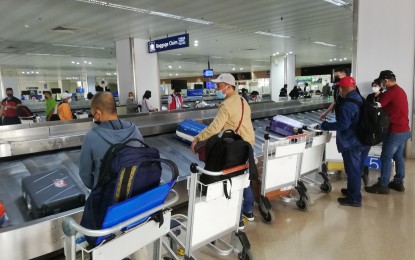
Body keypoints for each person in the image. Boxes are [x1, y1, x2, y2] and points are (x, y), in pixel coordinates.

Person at [190, 73, 255, 229]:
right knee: (244, 178)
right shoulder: (243, 101)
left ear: (228, 86)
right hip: (248, 144)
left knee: (232, 180)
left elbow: (215, 128)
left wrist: (198, 138)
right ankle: (248, 211)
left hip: (235, 148)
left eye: (219, 86)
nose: (217, 89)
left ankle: (237, 219)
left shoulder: (226, 105)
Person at [320, 76, 370, 207]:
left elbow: (342, 125)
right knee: (356, 169)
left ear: (342, 89)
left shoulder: (347, 105)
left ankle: (354, 199)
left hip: (352, 143)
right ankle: (351, 191)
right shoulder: (359, 98)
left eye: (340, 88)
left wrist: (325, 126)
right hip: (364, 140)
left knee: (352, 170)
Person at [79, 92, 144, 190]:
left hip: (106, 196)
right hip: (134, 189)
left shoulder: (91, 137)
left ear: (99, 113)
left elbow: (85, 174)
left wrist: (97, 188)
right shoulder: (134, 129)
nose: (93, 115)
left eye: (93, 113)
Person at [365, 70, 411, 194]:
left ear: (386, 81)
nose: (381, 85)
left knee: (385, 157)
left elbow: (377, 106)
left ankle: (382, 185)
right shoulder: (400, 90)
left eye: (381, 82)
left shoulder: (390, 92)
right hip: (405, 130)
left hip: (395, 131)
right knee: (398, 157)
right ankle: (398, 183)